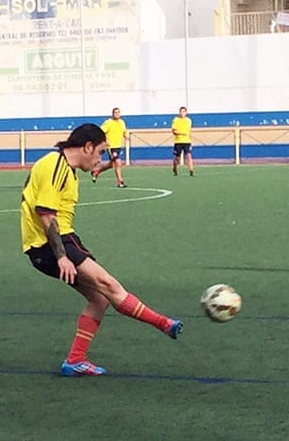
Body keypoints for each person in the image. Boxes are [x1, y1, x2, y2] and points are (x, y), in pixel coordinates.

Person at [20, 123, 182, 377]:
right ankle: (164, 324)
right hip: (51, 243)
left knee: (99, 298)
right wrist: (61, 256)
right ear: (87, 146)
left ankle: (75, 360)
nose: (100, 159)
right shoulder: (57, 166)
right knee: (109, 285)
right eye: (100, 152)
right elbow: (46, 214)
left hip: (57, 241)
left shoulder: (64, 168)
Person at [91, 107, 128, 187]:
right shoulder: (108, 123)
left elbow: (124, 131)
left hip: (118, 146)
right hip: (111, 146)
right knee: (118, 162)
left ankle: (97, 171)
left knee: (111, 164)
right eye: (115, 113)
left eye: (118, 112)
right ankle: (120, 182)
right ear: (112, 114)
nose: (117, 114)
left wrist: (126, 136)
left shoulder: (122, 122)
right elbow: (100, 132)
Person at [171, 106, 194, 176]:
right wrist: (180, 133)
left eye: (184, 111)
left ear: (186, 113)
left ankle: (191, 171)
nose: (182, 113)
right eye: (181, 111)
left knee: (189, 156)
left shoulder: (189, 120)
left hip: (187, 141)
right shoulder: (176, 120)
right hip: (178, 141)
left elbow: (189, 131)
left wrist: (191, 141)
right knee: (177, 158)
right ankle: (174, 168)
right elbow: (174, 131)